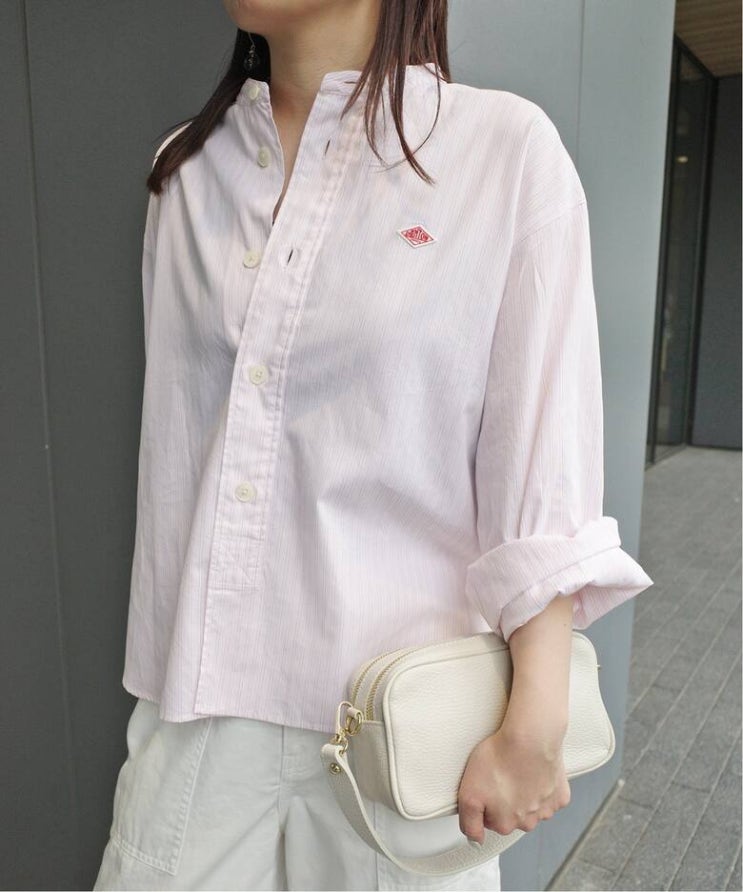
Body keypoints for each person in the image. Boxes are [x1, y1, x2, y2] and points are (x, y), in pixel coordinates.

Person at [93, 1, 654, 889]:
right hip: (198, 718)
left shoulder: (502, 153)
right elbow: (180, 458)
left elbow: (541, 457)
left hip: (406, 729)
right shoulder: (186, 173)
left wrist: (536, 720)